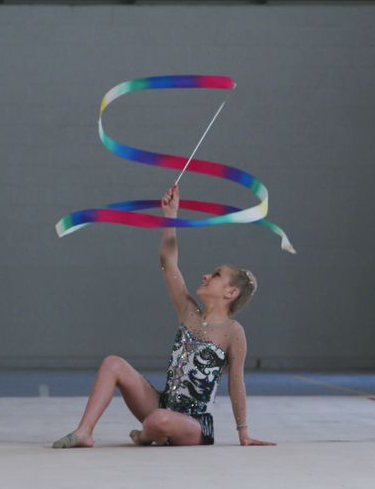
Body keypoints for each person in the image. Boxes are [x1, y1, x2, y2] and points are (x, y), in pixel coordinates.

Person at [52, 185, 275, 448]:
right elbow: (168, 262)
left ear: (231, 292)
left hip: (193, 424)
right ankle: (84, 431)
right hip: (161, 404)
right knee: (113, 363)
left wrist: (243, 433)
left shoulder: (232, 331)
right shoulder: (188, 311)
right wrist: (171, 215)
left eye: (215, 275)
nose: (205, 276)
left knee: (159, 420)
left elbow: (237, 382)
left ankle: (146, 435)